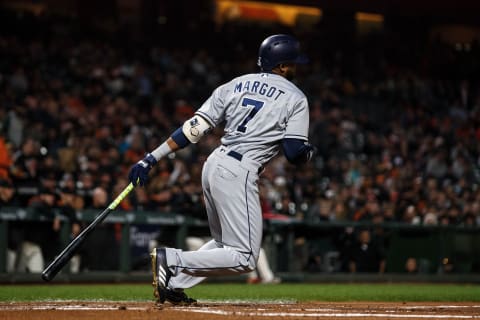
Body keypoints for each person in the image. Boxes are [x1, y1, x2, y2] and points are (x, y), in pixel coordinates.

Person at [128, 34, 314, 305]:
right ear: (283, 66)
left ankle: (174, 283)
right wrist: (309, 152)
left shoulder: (235, 84)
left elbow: (194, 129)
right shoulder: (296, 97)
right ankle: (172, 260)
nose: (297, 67)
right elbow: (295, 152)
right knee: (245, 257)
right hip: (240, 170)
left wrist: (151, 158)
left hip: (214, 164)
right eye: (294, 63)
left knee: (223, 242)